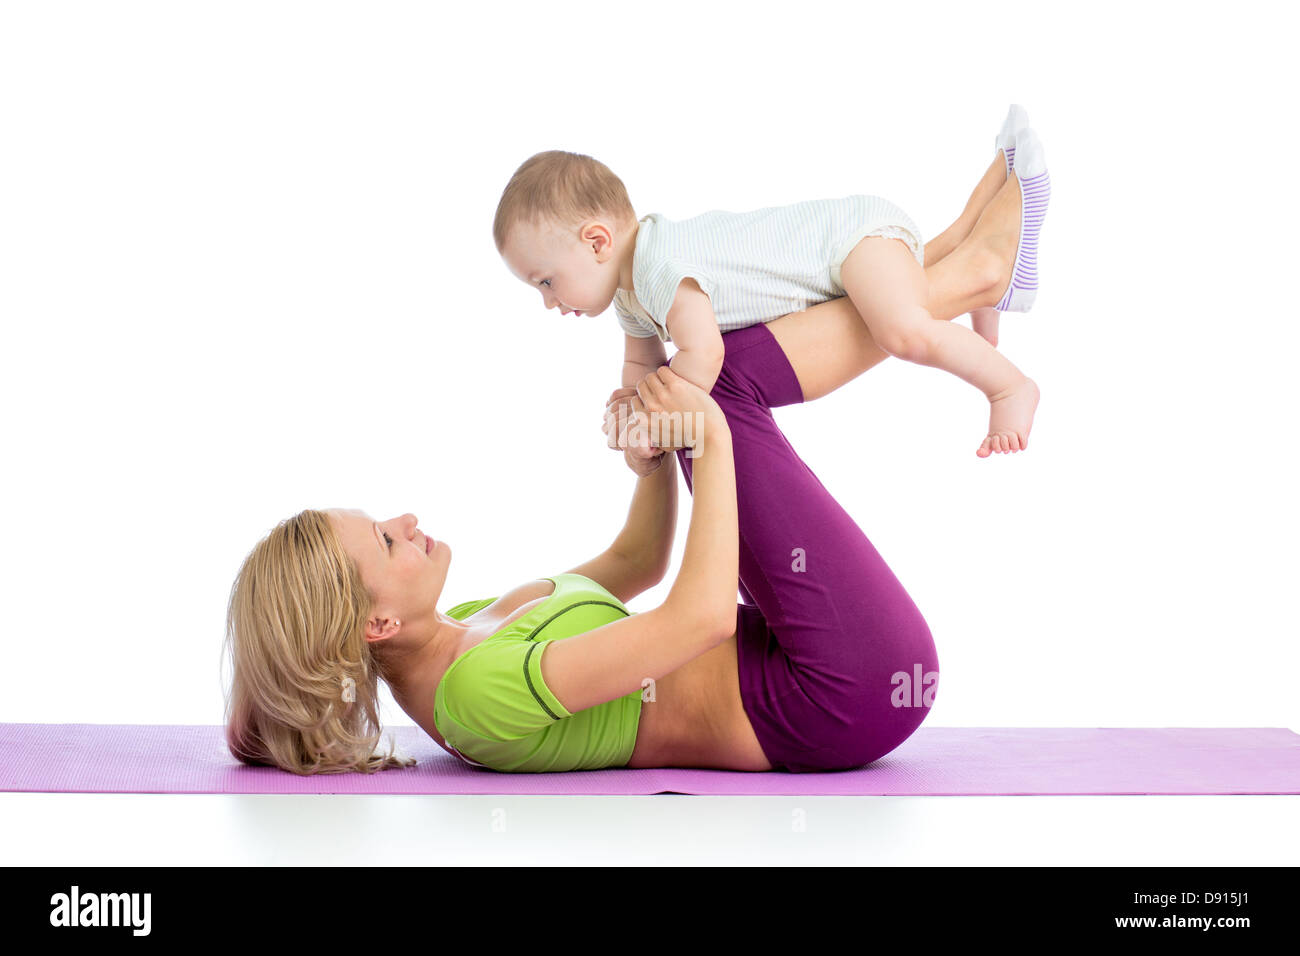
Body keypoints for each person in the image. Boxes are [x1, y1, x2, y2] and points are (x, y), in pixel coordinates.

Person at [222, 132, 1033, 774]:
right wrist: (701, 429)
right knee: (712, 383)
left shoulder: (470, 624)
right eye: (386, 539)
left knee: (708, 372)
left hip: (813, 662)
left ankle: (960, 267)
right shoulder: (472, 693)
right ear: (377, 622)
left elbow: (638, 562)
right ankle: (969, 275)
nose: (405, 519)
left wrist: (650, 460)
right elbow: (702, 617)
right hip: (835, 696)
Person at [496, 105, 1049, 458]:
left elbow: (701, 353)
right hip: (842, 253)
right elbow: (643, 366)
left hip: (849, 238)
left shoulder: (659, 267)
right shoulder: (628, 295)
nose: (548, 301)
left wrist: (656, 416)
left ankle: (1008, 386)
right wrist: (630, 399)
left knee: (903, 330)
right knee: (919, 281)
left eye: (546, 281)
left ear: (596, 242)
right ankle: (996, 236)